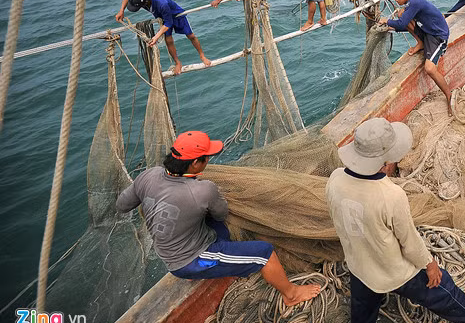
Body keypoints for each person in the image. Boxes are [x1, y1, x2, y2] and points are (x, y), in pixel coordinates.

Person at [326, 118, 465, 323]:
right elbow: (409, 242)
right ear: (386, 161)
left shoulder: (334, 179)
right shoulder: (391, 195)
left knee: (362, 308)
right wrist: (430, 265)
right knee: (441, 285)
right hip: (392, 272)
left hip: (358, 266)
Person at [116, 131, 321, 306]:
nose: (209, 161)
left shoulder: (149, 175)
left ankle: (233, 260)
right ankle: (291, 294)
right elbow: (221, 213)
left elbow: (122, 205)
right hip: (190, 261)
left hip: (168, 248)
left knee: (219, 229)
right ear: (195, 163)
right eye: (207, 158)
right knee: (265, 253)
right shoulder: (203, 189)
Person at [379, 0, 454, 114]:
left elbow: (402, 25)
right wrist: (391, 27)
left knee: (430, 69)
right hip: (426, 31)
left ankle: (449, 95)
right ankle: (421, 43)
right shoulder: (409, 4)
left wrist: (387, 21)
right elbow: (403, 23)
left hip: (437, 36)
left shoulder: (415, 2)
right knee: (401, 14)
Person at [116, 0, 210, 75]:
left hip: (176, 15)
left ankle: (202, 56)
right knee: (169, 41)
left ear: (146, 2)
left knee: (191, 36)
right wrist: (121, 11)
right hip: (163, 17)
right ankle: (177, 62)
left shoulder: (162, 3)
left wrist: (155, 37)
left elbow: (168, 23)